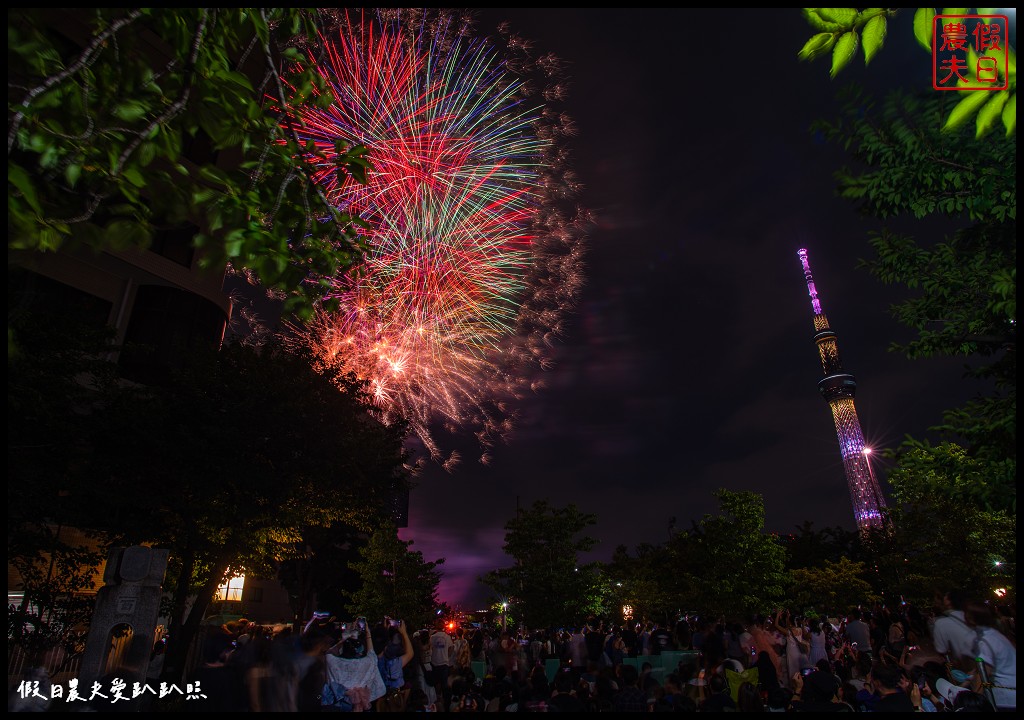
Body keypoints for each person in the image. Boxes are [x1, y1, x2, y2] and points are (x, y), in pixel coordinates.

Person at [323, 617, 385, 711]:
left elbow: (328, 652)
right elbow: (372, 654)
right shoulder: (368, 663)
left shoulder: (332, 662)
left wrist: (346, 637)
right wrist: (368, 633)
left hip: (336, 706)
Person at [964, 599, 1016, 711]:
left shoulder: (985, 641)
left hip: (1007, 697)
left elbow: (983, 674)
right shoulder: (994, 635)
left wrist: (972, 702)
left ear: (971, 618)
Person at [932, 589, 977, 673]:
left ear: (948, 602)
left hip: (971, 669)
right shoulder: (973, 616)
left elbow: (941, 650)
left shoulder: (941, 623)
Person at [429, 625, 454, 710]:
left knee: (435, 685)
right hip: (444, 663)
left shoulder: (432, 637)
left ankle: (435, 703)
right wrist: (447, 655)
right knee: (444, 686)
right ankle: (445, 705)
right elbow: (451, 647)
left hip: (434, 662)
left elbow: (429, 647)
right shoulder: (447, 637)